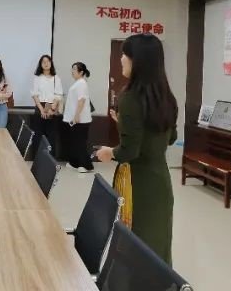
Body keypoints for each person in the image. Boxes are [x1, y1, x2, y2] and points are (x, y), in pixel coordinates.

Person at [95, 34, 178, 264]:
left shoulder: (130, 98)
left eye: (126, 54)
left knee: (133, 246)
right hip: (160, 183)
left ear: (138, 61)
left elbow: (129, 151)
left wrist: (109, 152)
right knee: (158, 247)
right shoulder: (167, 97)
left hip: (137, 185)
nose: (121, 59)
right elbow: (170, 138)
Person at [63, 62, 94, 173]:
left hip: (80, 120)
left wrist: (76, 116)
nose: (72, 71)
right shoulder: (77, 83)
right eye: (72, 69)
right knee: (74, 142)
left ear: (81, 72)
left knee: (80, 142)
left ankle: (86, 165)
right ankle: (75, 163)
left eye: (74, 69)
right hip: (74, 119)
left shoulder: (81, 83)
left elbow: (82, 100)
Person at [30, 54, 63, 157]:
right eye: (43, 62)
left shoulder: (56, 78)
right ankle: (38, 158)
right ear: (40, 64)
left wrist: (51, 109)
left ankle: (51, 159)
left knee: (51, 135)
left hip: (52, 107)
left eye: (48, 61)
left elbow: (58, 95)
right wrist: (41, 109)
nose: (46, 63)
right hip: (40, 106)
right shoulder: (37, 78)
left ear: (51, 63)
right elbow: (35, 95)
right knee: (38, 135)